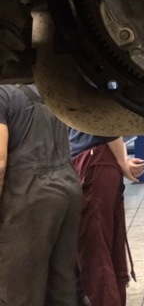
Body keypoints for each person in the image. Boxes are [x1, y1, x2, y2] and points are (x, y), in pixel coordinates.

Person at [0, 84, 82, 306]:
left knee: (20, 290)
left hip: (29, 195)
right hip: (67, 187)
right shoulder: (49, 92)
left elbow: (0, 162)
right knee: (61, 284)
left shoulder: (2, 96)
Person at [69, 131, 144, 306]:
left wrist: (122, 161)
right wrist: (121, 159)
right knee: (109, 252)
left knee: (94, 255)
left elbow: (105, 123)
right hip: (100, 161)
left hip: (92, 162)